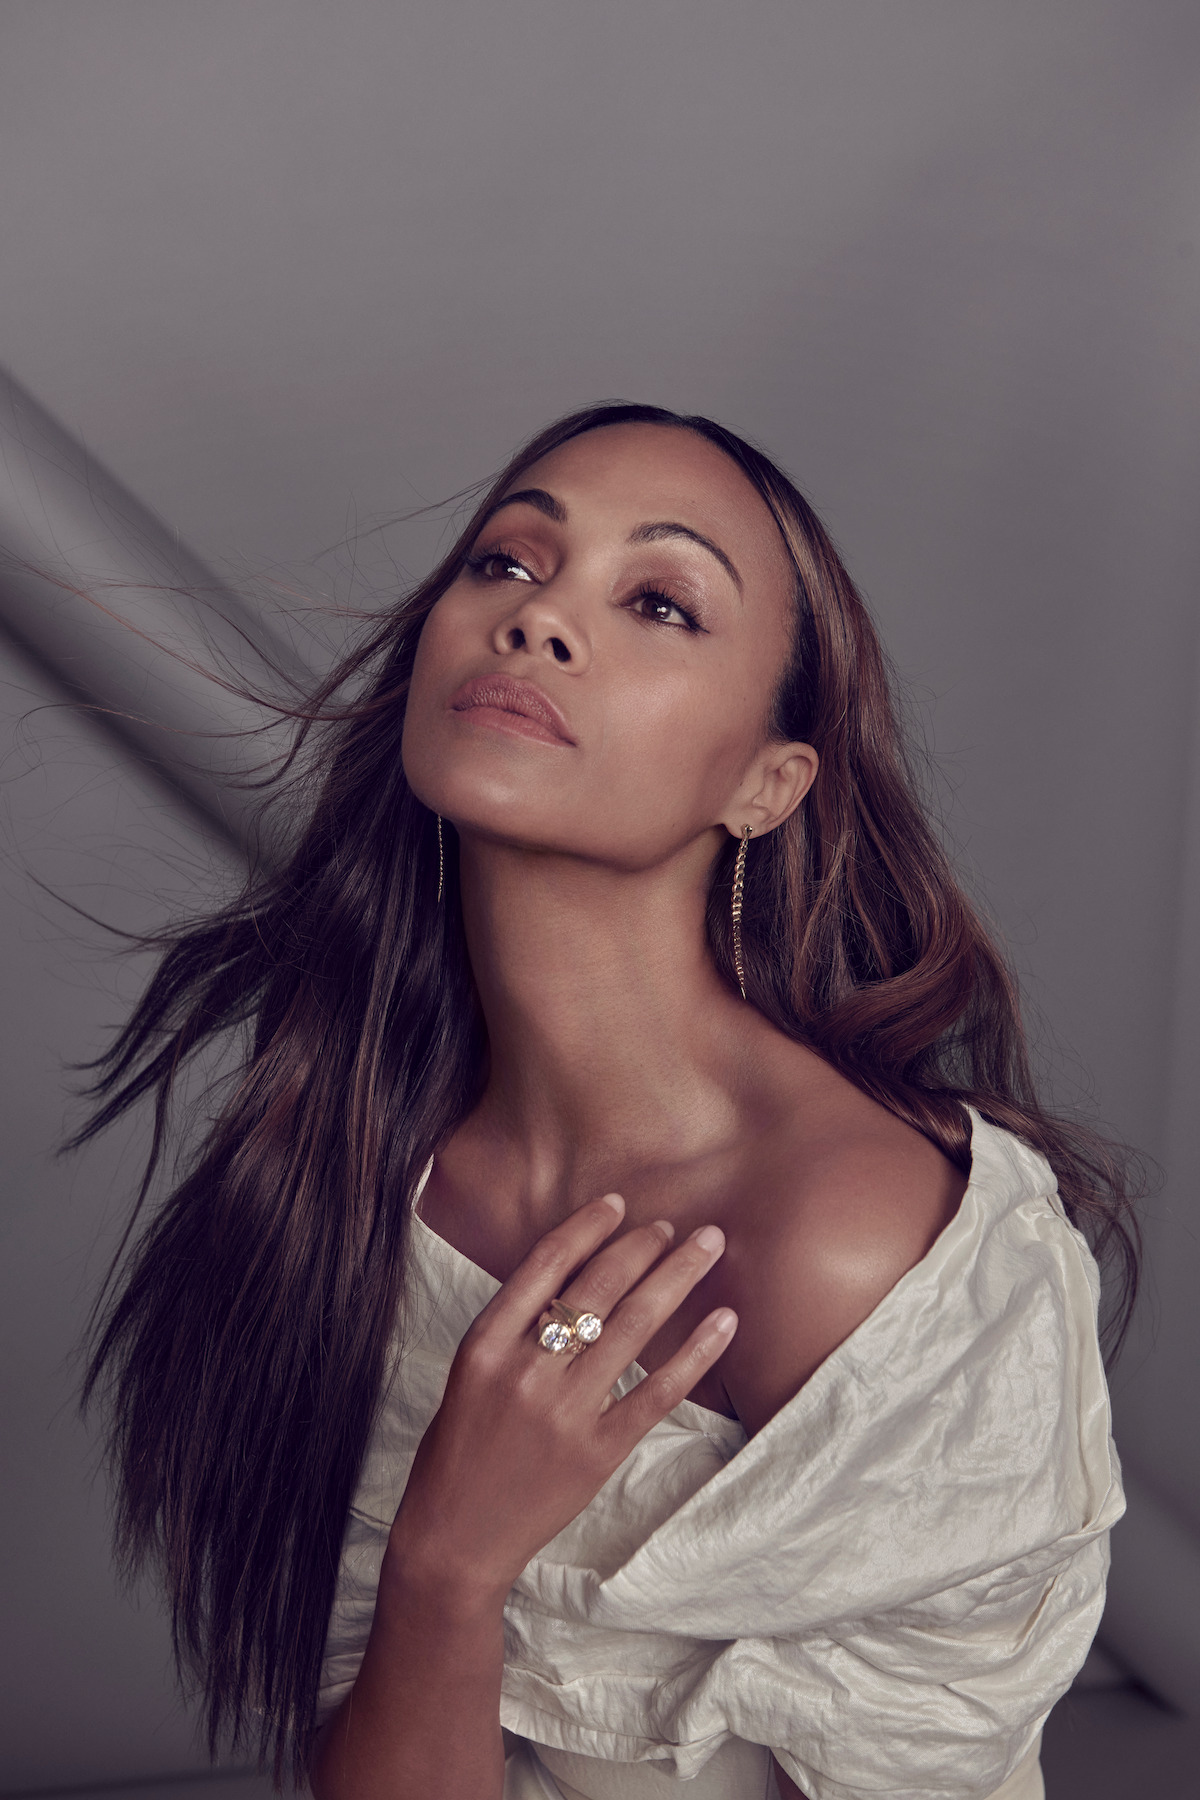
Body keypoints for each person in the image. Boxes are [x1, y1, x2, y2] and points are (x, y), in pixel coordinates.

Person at [76, 404, 1137, 1800]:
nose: (537, 623)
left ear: (767, 784)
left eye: (657, 600)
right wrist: (450, 1568)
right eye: (508, 565)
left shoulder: (850, 1240)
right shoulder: (355, 1169)